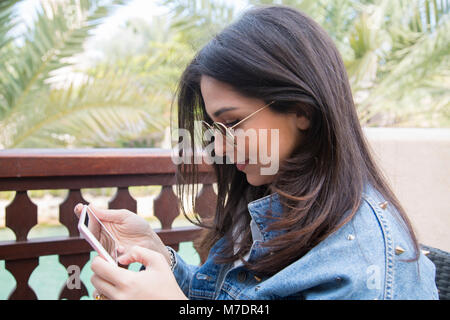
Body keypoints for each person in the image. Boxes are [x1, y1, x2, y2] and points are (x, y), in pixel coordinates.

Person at [73, 5, 438, 300]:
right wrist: (160, 259)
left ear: (302, 110)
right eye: (215, 129)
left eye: (232, 123)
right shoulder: (270, 206)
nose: (219, 145)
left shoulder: (360, 260)